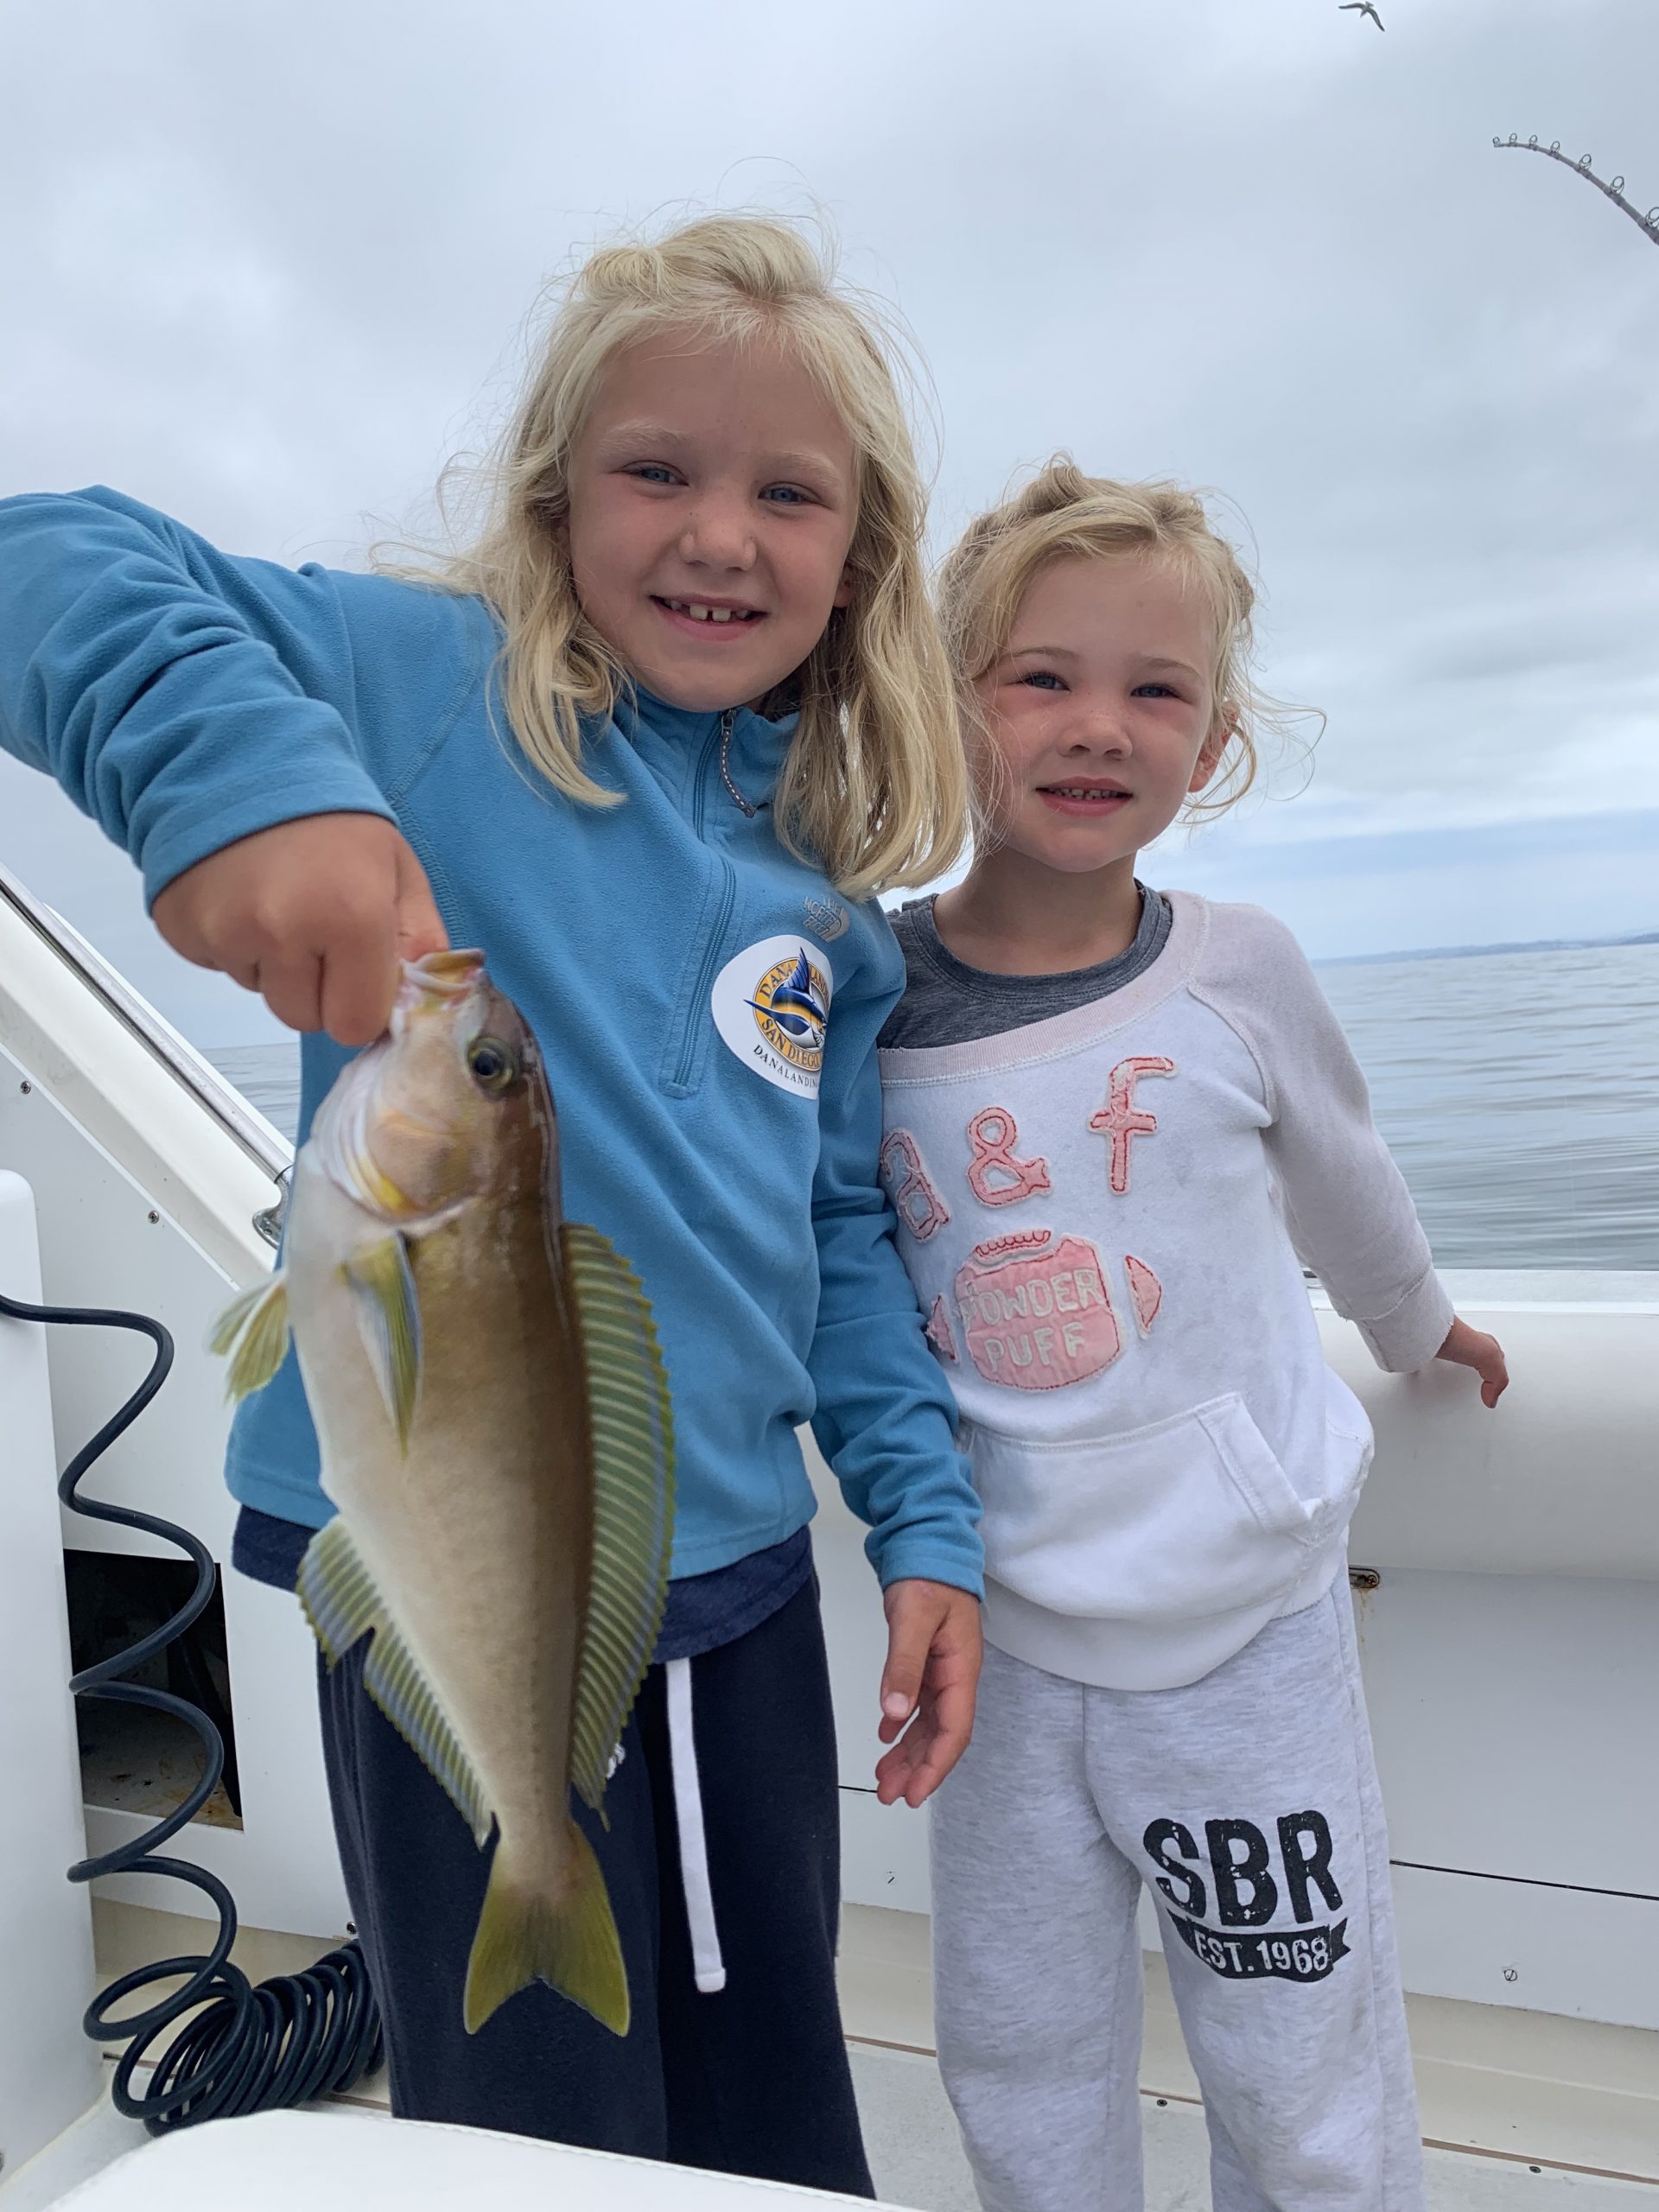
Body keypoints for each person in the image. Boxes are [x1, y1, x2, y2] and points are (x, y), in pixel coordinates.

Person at [0, 214, 986, 2196]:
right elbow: (43, 551)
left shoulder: (828, 889)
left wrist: (926, 1516)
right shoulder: (425, 689)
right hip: (441, 1595)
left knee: (777, 2102)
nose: (721, 533)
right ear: (550, 501)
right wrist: (246, 780)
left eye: (788, 492)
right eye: (657, 471)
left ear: (861, 554)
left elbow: (849, 1247)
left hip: (745, 1602)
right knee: (522, 2121)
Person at [876, 461, 1509, 2212]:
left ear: (1212, 737)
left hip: (1251, 1635)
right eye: (1041, 675)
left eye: (1155, 687)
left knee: (1298, 2054)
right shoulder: (867, 995)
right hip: (1001, 1641)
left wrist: (1420, 1321)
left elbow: (1349, 1180)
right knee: (1016, 2041)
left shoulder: (1242, 967)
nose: (1100, 725)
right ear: (945, 701)